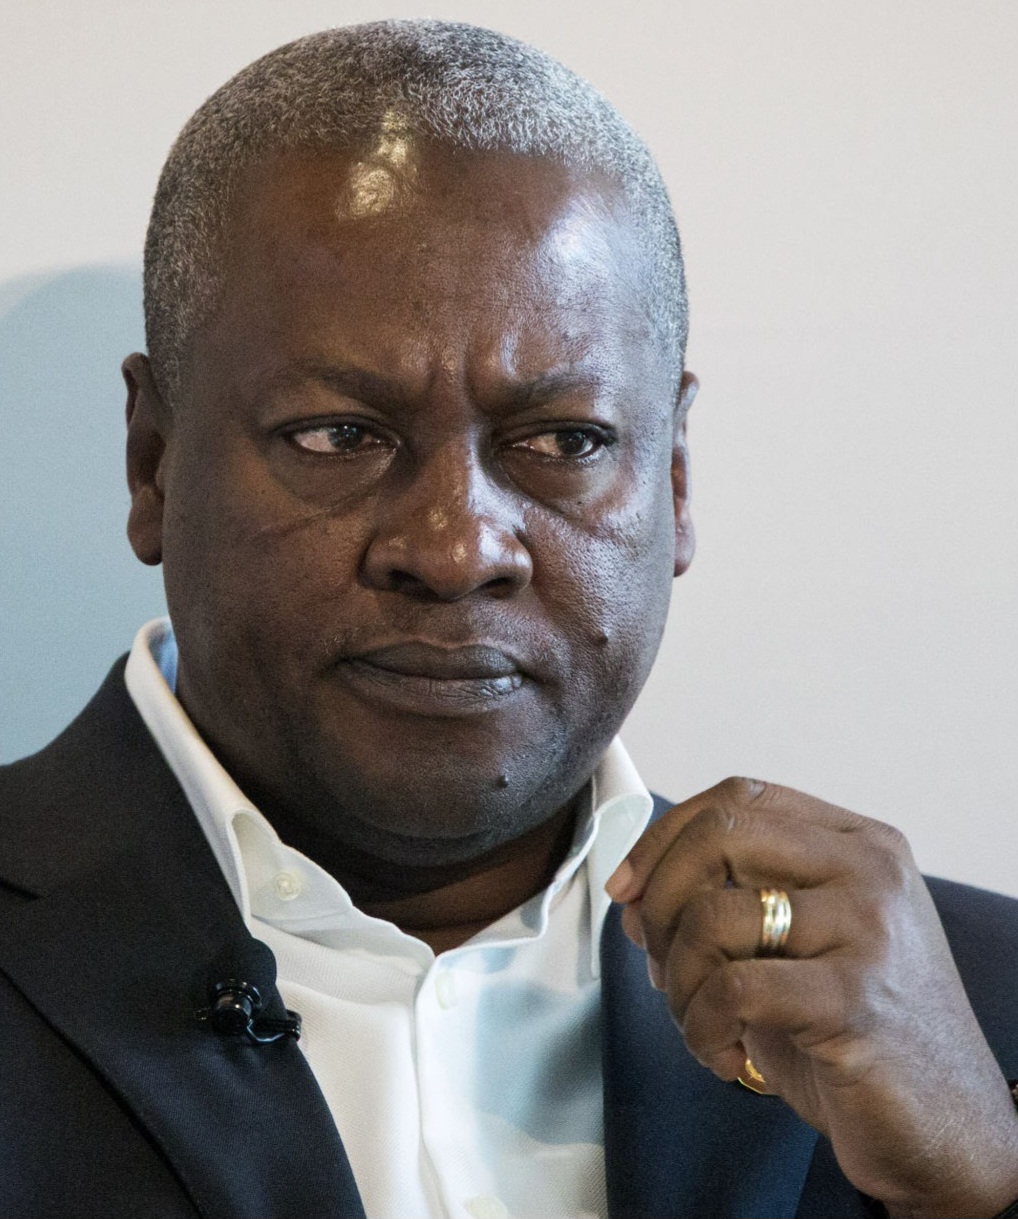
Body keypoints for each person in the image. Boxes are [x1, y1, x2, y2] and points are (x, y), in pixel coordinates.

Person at [1, 19, 1017, 1219]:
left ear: (673, 479)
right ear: (153, 461)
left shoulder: (980, 1020)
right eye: (338, 434)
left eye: (563, 441)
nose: (454, 550)